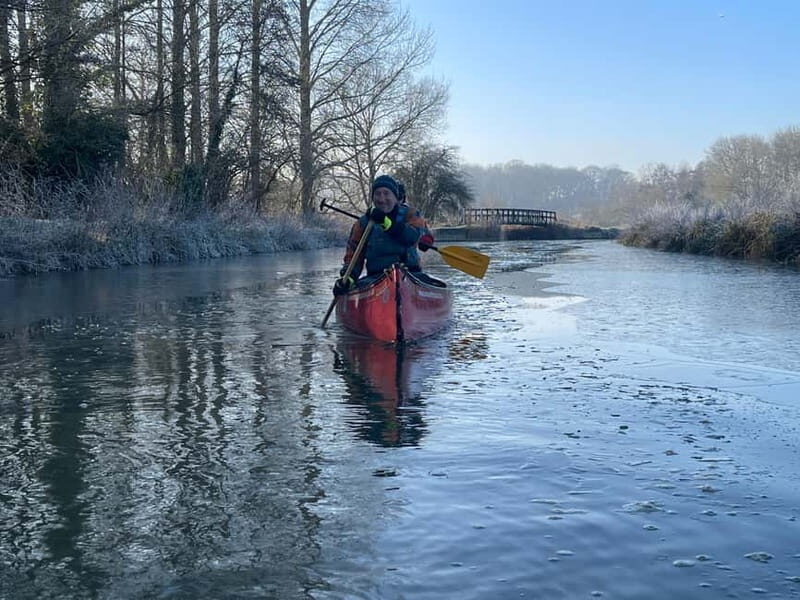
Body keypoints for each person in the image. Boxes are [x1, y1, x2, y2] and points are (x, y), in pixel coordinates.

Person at [333, 174, 436, 295]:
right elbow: (354, 256)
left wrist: (386, 223)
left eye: (386, 193)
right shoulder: (362, 224)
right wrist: (348, 278)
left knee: (430, 283)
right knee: (352, 287)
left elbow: (412, 237)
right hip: (375, 278)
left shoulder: (411, 215)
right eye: (378, 194)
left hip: (411, 275)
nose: (382, 199)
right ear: (373, 198)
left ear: (395, 196)